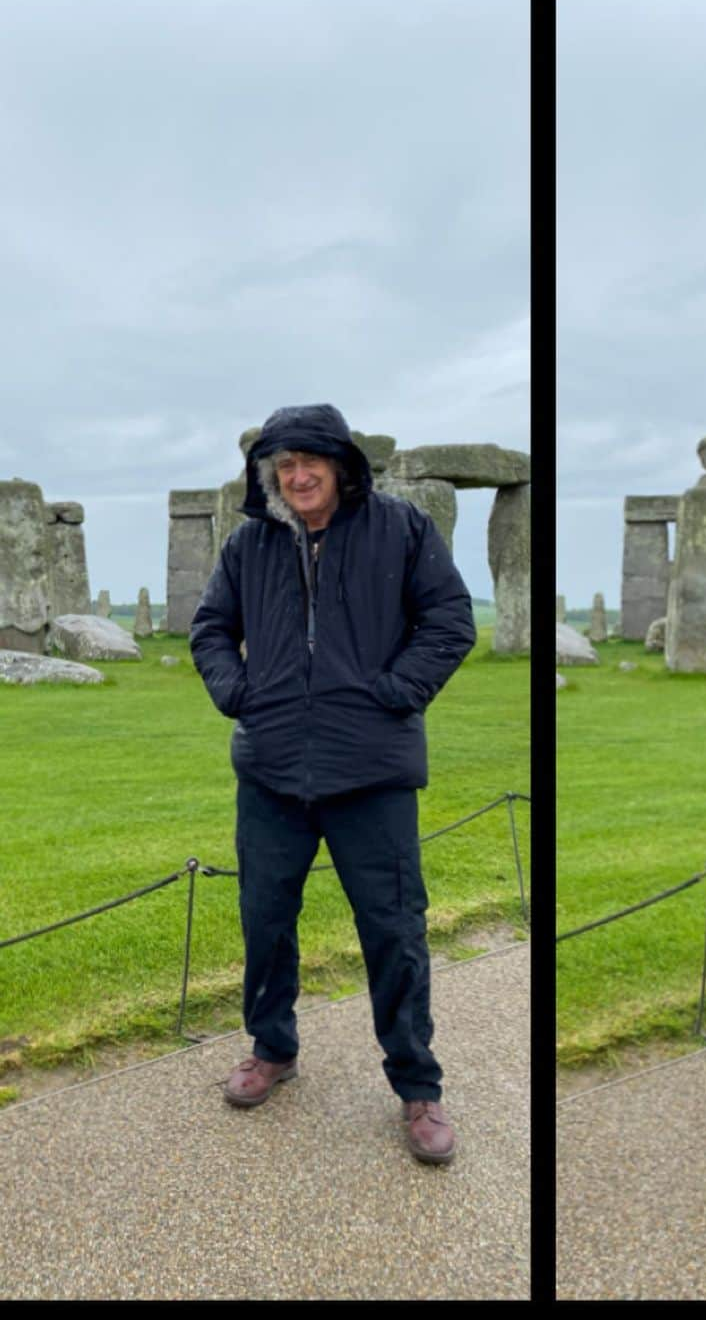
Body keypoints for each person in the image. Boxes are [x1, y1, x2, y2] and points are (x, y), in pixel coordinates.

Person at [190, 403, 476, 1164]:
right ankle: (272, 1048)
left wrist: (391, 693)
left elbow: (449, 620)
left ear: (341, 464)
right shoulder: (249, 544)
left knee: (394, 931)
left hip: (372, 771)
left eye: (310, 459)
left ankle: (418, 1086)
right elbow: (210, 628)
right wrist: (238, 693)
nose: (298, 474)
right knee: (265, 920)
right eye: (283, 464)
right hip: (272, 769)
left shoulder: (403, 530)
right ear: (271, 475)